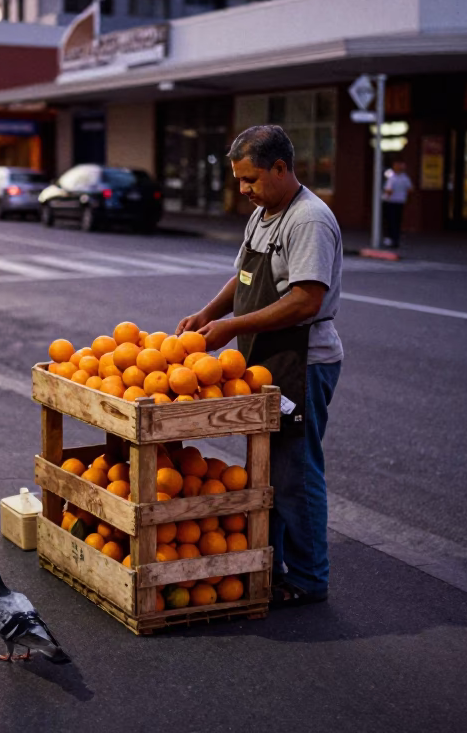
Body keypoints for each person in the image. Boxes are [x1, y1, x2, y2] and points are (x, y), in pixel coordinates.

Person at [176, 125, 342, 607]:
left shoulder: (307, 219)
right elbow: (244, 275)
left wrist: (231, 329)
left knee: (295, 471)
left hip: (302, 362)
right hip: (267, 359)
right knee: (268, 470)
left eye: (251, 179)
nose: (243, 190)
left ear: (280, 168)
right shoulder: (266, 213)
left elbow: (307, 300)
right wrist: (211, 313)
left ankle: (310, 577)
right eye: (238, 180)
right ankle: (273, 559)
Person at [380, 159, 412, 248]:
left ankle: (391, 239)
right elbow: (409, 189)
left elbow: (389, 190)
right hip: (400, 201)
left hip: (391, 201)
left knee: (391, 221)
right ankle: (394, 239)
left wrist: (385, 194)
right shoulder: (405, 178)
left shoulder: (392, 178)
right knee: (396, 222)